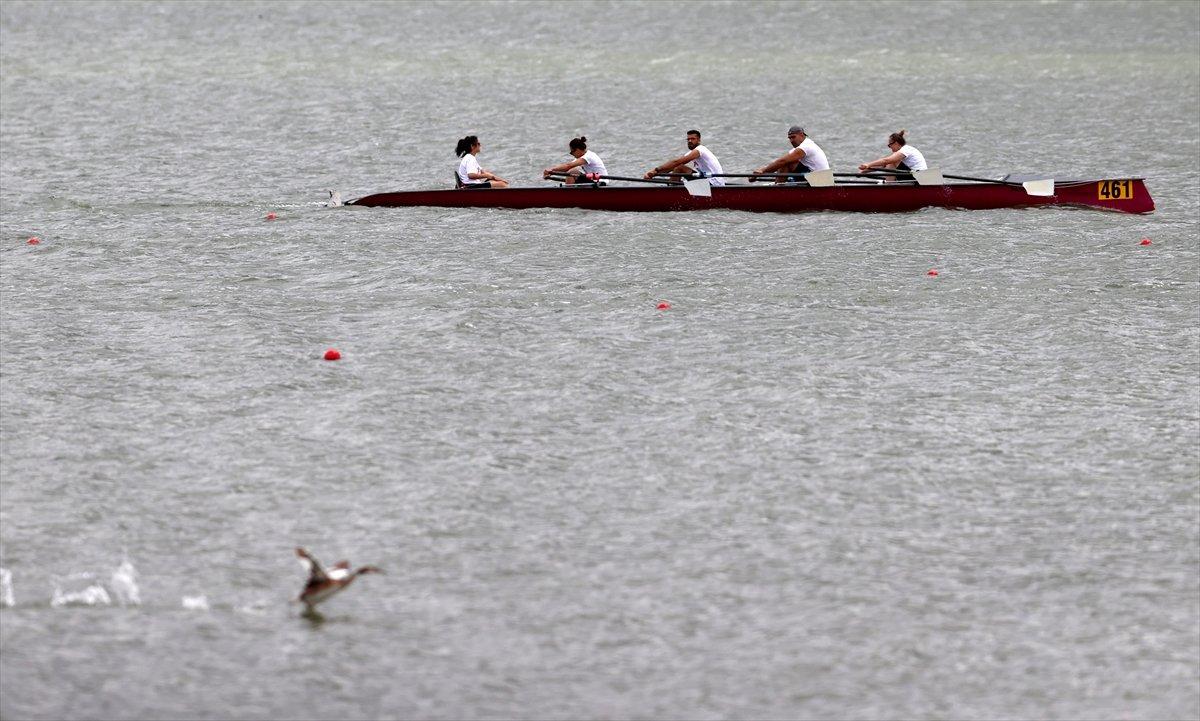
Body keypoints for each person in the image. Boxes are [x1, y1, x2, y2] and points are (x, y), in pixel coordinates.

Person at [644, 129, 726, 186]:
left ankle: (671, 191)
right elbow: (672, 166)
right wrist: (654, 174)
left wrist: (655, 170)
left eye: (693, 139)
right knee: (677, 168)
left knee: (680, 167)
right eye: (688, 139)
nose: (690, 141)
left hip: (714, 183)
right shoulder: (692, 152)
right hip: (707, 178)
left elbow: (677, 162)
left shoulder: (700, 150)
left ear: (699, 140)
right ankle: (672, 187)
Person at [752, 125, 830, 184]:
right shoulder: (801, 147)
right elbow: (779, 162)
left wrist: (763, 172)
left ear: (801, 135)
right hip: (820, 178)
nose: (791, 140)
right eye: (789, 138)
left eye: (793, 137)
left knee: (785, 163)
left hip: (822, 181)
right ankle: (779, 185)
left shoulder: (806, 146)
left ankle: (777, 191)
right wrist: (759, 171)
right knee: (786, 163)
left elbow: (782, 161)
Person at [858, 130, 928, 180]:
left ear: (896, 143)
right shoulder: (905, 150)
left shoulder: (906, 150)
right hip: (915, 176)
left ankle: (889, 188)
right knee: (889, 163)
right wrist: (863, 172)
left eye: (890, 145)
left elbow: (886, 161)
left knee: (890, 161)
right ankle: (889, 184)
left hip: (919, 178)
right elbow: (882, 165)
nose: (889, 147)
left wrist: (868, 164)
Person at [542, 136, 607, 185]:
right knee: (571, 173)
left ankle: (568, 196)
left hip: (601, 182)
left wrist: (552, 169)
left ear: (578, 150)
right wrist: (551, 173)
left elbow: (568, 166)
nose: (572, 154)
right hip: (593, 180)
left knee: (572, 172)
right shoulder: (581, 157)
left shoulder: (589, 156)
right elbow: (566, 168)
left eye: (572, 152)